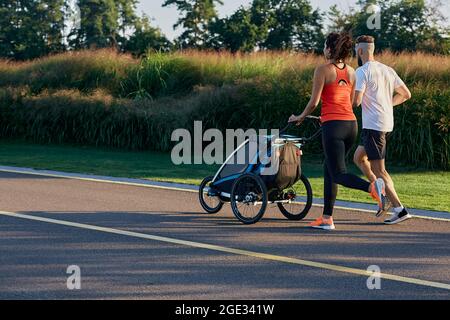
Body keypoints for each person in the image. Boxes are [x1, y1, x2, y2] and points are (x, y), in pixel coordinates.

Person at [288, 32, 386, 230]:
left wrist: (300, 117)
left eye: (325, 45)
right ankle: (327, 218)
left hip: (333, 127)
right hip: (350, 125)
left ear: (330, 49)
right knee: (330, 170)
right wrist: (328, 116)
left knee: (339, 173)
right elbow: (349, 102)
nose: (323, 49)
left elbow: (314, 102)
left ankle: (372, 186)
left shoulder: (322, 70)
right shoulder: (351, 71)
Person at [353, 35, 412, 225]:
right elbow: (406, 94)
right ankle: (380, 191)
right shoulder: (387, 70)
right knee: (358, 158)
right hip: (383, 124)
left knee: (380, 170)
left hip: (374, 127)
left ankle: (399, 209)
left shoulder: (362, 71)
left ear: (360, 51)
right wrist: (388, 104)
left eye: (356, 50)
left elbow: (357, 101)